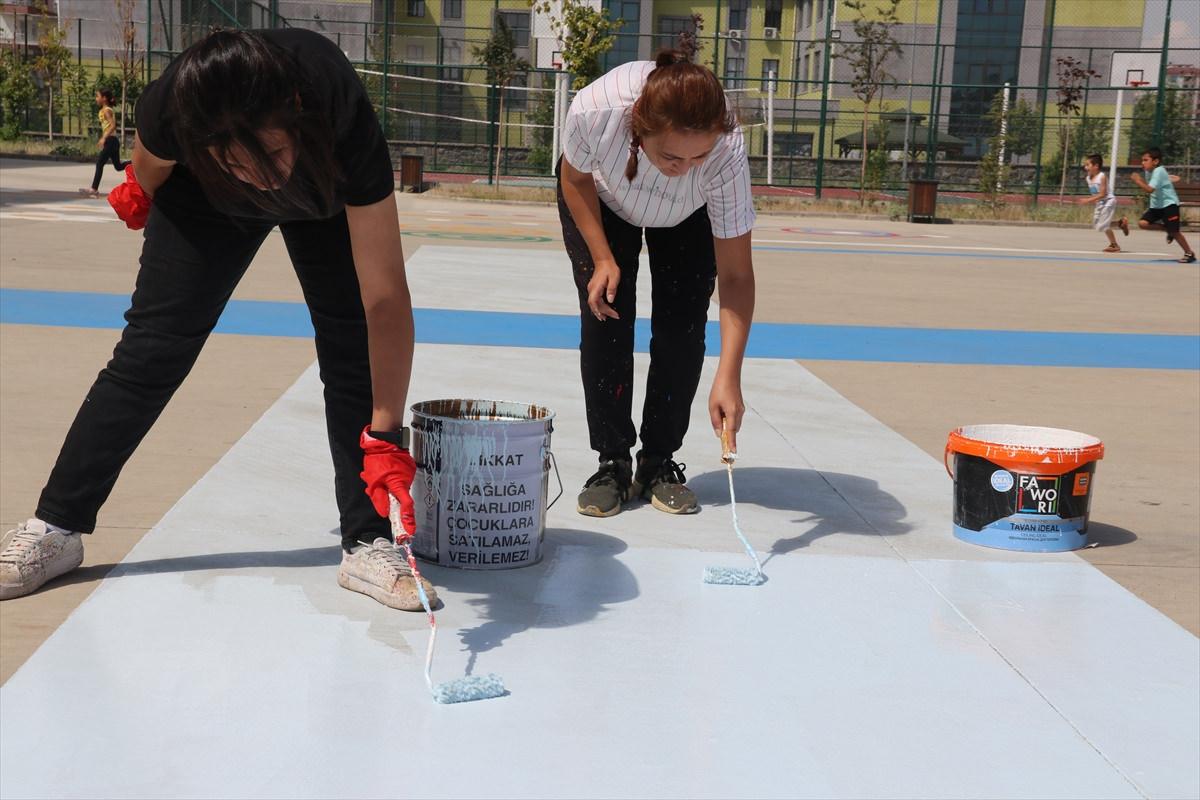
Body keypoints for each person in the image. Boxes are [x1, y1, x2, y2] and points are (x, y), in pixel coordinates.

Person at [1, 28, 436, 611]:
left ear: (296, 114)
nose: (262, 175)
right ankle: (56, 526)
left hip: (321, 194)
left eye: (271, 153)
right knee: (152, 348)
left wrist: (383, 434)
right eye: (239, 160)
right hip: (208, 199)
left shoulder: (335, 106)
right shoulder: (175, 106)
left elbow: (384, 296)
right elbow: (149, 162)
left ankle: (366, 542)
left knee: (350, 342)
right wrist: (138, 191)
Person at [557, 50, 755, 518]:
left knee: (683, 327)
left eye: (698, 155)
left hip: (688, 216)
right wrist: (602, 258)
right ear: (639, 127)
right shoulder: (595, 110)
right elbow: (574, 178)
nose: (683, 166)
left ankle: (659, 462)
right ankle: (611, 463)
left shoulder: (726, 153)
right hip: (602, 199)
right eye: (670, 155)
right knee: (606, 313)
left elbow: (736, 275)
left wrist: (730, 376)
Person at [1129, 147, 1195, 264]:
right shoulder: (1149, 171)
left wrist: (1138, 181)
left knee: (1175, 232)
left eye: (1145, 160)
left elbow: (1150, 189)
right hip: (1156, 206)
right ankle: (1167, 229)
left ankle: (1189, 253)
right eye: (1142, 160)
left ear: (1155, 161)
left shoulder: (1159, 171)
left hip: (1169, 205)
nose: (1142, 163)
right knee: (1142, 223)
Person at [79, 88, 130, 198]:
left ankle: (94, 189)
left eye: (98, 96)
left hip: (111, 141)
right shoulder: (104, 110)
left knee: (99, 163)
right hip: (112, 141)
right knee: (118, 166)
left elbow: (113, 126)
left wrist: (103, 138)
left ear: (104, 98)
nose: (96, 98)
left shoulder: (106, 110)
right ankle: (135, 163)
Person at [1078, 154, 1127, 253]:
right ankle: (1120, 223)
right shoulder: (1088, 178)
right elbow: (1095, 193)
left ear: (1096, 166)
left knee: (1103, 226)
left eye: (1088, 165)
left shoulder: (1102, 176)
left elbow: (1103, 194)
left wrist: (1088, 200)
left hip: (1108, 201)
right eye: (1085, 165)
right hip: (1100, 202)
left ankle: (1114, 245)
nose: (1085, 167)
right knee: (1097, 225)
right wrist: (1094, 200)